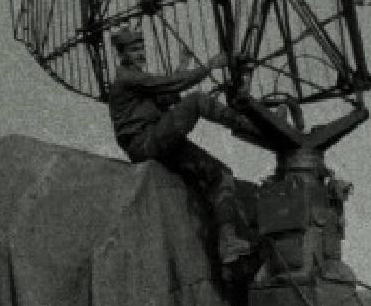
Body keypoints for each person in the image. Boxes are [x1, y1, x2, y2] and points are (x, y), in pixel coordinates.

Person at [107, 25, 259, 266]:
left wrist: (182, 67)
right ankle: (249, 125)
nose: (140, 54)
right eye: (134, 50)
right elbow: (170, 86)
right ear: (122, 54)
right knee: (197, 100)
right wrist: (208, 66)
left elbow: (166, 96)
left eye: (141, 49)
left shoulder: (137, 81)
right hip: (145, 142)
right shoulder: (128, 79)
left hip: (157, 140)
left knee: (220, 174)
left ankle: (228, 241)